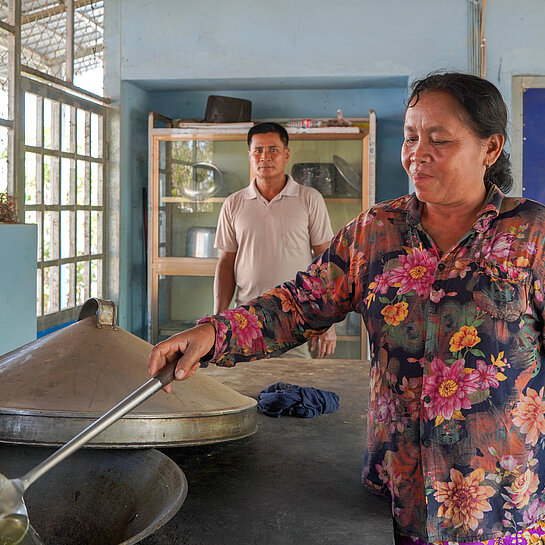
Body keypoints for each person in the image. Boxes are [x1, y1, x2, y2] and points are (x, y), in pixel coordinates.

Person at [148, 72, 545, 545]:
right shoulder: (377, 232)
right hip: (401, 494)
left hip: (503, 503)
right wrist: (215, 334)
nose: (417, 152)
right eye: (411, 136)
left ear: (491, 148)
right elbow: (298, 304)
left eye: (439, 140)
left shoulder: (531, 235)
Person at [213, 121, 336, 359]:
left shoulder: (309, 199)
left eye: (273, 150)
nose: (264, 157)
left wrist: (327, 319)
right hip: (244, 317)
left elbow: (326, 262)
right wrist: (219, 317)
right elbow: (226, 263)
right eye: (258, 150)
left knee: (296, 390)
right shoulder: (234, 203)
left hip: (297, 316)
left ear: (286, 154)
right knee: (244, 391)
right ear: (249, 155)